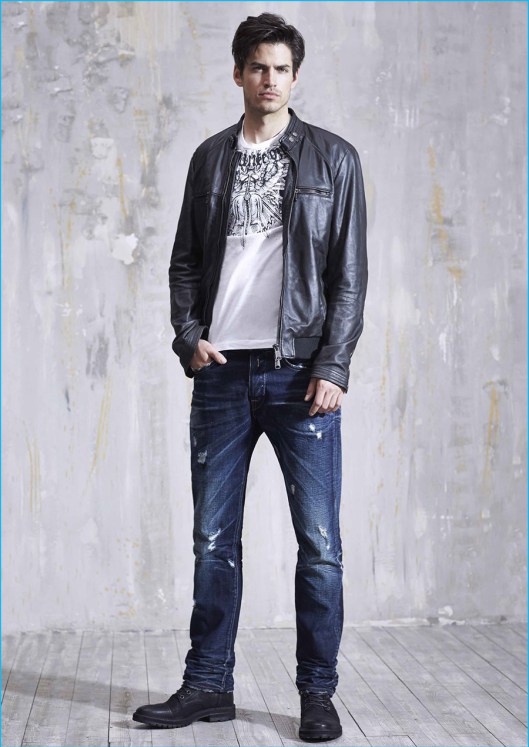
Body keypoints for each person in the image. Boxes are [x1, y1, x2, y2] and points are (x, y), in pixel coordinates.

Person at [133, 12, 367, 742]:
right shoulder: (210, 158)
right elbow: (184, 263)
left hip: (302, 378)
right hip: (222, 374)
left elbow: (349, 277)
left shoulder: (334, 159)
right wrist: (189, 338)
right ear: (238, 73)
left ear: (295, 77)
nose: (269, 80)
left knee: (319, 546)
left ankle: (317, 695)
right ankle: (208, 684)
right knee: (212, 540)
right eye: (258, 67)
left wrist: (333, 365)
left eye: (281, 69)